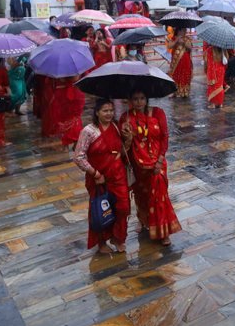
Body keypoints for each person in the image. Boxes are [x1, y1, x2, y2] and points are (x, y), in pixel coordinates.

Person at [121, 89, 181, 245]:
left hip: (157, 163)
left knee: (159, 196)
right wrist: (126, 136)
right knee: (141, 194)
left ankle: (163, 232)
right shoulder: (125, 118)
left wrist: (160, 160)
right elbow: (123, 147)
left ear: (147, 99)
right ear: (130, 101)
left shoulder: (158, 113)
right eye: (135, 99)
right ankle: (142, 219)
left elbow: (164, 137)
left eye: (142, 98)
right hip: (137, 164)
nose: (139, 102)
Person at [74, 99, 130, 255]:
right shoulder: (89, 131)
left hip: (118, 175)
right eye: (105, 111)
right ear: (97, 112)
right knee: (101, 209)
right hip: (99, 178)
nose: (109, 114)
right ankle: (101, 241)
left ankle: (118, 238)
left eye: (111, 110)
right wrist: (95, 173)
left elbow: (122, 150)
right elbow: (78, 157)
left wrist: (128, 139)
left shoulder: (116, 127)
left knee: (123, 207)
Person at [47, 76, 85, 147]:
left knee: (73, 119)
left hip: (69, 95)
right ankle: (72, 142)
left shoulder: (55, 70)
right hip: (64, 96)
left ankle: (74, 142)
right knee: (68, 120)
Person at [166, 27, 193, 97]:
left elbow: (190, 47)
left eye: (184, 30)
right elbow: (169, 46)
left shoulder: (187, 38)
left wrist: (183, 43)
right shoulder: (173, 38)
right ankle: (175, 91)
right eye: (182, 30)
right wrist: (176, 40)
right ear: (177, 31)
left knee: (184, 75)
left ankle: (184, 92)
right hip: (175, 62)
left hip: (185, 61)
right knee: (175, 74)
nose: (184, 32)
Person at [205, 43, 227, 109]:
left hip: (213, 70)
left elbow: (207, 62)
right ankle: (220, 103)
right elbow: (226, 59)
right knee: (220, 86)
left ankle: (213, 104)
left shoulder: (209, 50)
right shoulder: (223, 49)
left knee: (213, 87)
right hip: (221, 69)